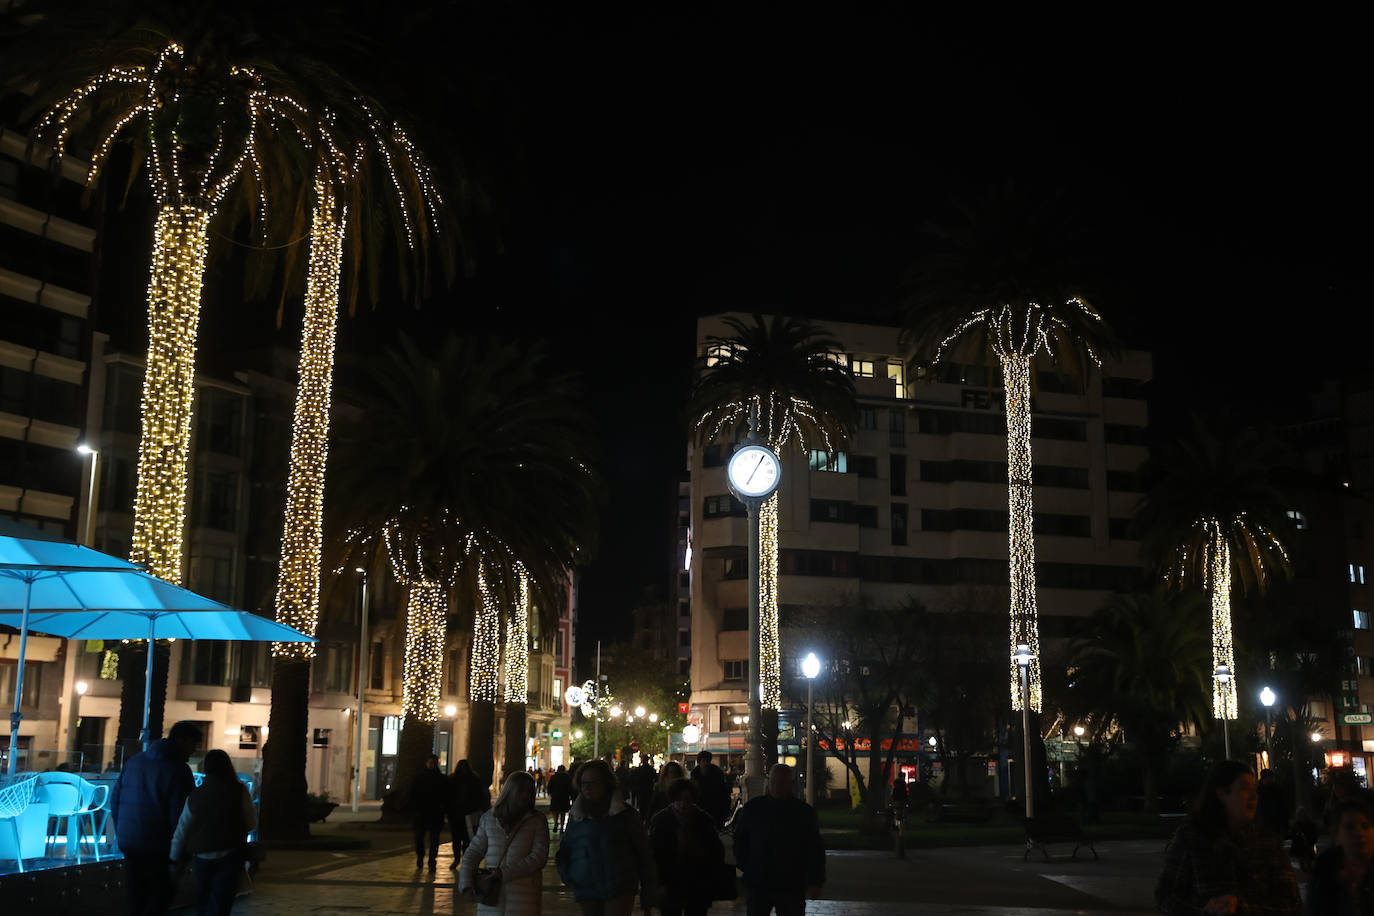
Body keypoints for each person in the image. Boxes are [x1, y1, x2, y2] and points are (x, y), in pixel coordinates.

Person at [1155, 759, 1302, 915]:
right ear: (1221, 793)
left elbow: (1292, 904)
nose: (1253, 796)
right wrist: (1204, 911)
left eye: (1255, 789)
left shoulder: (1267, 843)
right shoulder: (1192, 838)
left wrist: (1240, 907)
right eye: (1244, 788)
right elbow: (1165, 895)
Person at [110, 720, 201, 916]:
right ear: (183, 740)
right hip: (159, 847)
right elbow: (182, 816)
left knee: (136, 898)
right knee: (158, 900)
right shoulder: (178, 770)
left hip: (131, 842)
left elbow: (115, 800)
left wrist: (122, 832)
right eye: (193, 744)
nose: (193, 751)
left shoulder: (134, 762)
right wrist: (181, 853)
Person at [556, 758, 658, 915]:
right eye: (584, 783)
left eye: (593, 782)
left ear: (606, 783)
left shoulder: (626, 815)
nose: (588, 787)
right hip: (586, 887)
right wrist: (569, 874)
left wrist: (648, 895)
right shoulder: (577, 817)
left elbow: (644, 855)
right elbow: (566, 849)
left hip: (619, 887)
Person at [169, 749, 256, 916]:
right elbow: (250, 821)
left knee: (204, 901)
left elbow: (182, 828)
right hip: (230, 854)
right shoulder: (239, 791)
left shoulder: (196, 795)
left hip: (201, 856)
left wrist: (173, 857)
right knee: (221, 904)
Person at [733, 764, 825, 916]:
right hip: (759, 880)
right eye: (773, 782)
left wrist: (816, 880)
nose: (776, 787)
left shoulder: (802, 812)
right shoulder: (753, 808)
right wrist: (747, 865)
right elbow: (740, 840)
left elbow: (815, 848)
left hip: (790, 883)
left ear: (790, 784)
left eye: (781, 783)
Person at [459, 771, 550, 915]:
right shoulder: (489, 819)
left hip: (524, 896)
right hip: (492, 895)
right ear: (510, 790)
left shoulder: (537, 820)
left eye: (529, 791)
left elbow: (538, 857)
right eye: (521, 790)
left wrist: (504, 873)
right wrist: (466, 884)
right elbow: (474, 852)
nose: (525, 795)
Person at [649, 778, 724, 916]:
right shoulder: (661, 821)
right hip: (670, 881)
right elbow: (654, 854)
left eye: (687, 799)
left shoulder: (704, 820)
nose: (683, 804)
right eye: (679, 799)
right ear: (672, 800)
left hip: (698, 882)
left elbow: (716, 852)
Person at [1306, 799, 1374, 914]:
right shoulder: (1323, 876)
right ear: (1336, 835)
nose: (1360, 833)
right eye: (1349, 827)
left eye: (1365, 826)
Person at [410, 754, 450, 871]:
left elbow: (446, 796)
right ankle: (422, 857)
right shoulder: (420, 778)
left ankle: (431, 860)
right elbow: (413, 794)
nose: (431, 765)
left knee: (433, 839)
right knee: (421, 838)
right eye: (429, 762)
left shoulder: (440, 779)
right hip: (423, 813)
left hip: (433, 813)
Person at [690, 750, 730, 827]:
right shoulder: (694, 775)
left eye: (708, 760)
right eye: (703, 760)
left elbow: (724, 793)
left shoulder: (717, 774)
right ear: (699, 762)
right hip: (700, 808)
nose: (706, 763)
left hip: (715, 808)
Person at [1257, 769, 1288, 837]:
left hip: (1276, 823)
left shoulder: (1277, 790)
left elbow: (1283, 807)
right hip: (1264, 823)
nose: (1272, 779)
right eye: (1270, 777)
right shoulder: (1258, 791)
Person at [548, 764, 574, 835]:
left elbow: (550, 786)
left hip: (555, 796)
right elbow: (570, 788)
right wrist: (571, 796)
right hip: (564, 797)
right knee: (563, 812)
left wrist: (550, 793)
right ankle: (562, 827)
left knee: (555, 811)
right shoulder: (567, 777)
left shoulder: (554, 777)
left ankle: (556, 822)